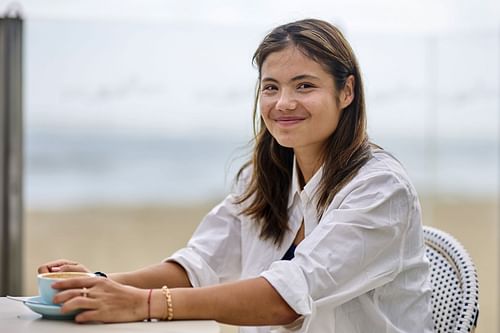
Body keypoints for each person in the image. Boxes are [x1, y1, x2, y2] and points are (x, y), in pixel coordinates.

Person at [38, 18, 433, 332]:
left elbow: (285, 299)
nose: (284, 103)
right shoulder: (270, 176)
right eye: (271, 87)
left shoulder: (381, 189)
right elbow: (198, 265)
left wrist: (141, 304)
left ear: (346, 92)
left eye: (305, 86)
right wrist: (99, 284)